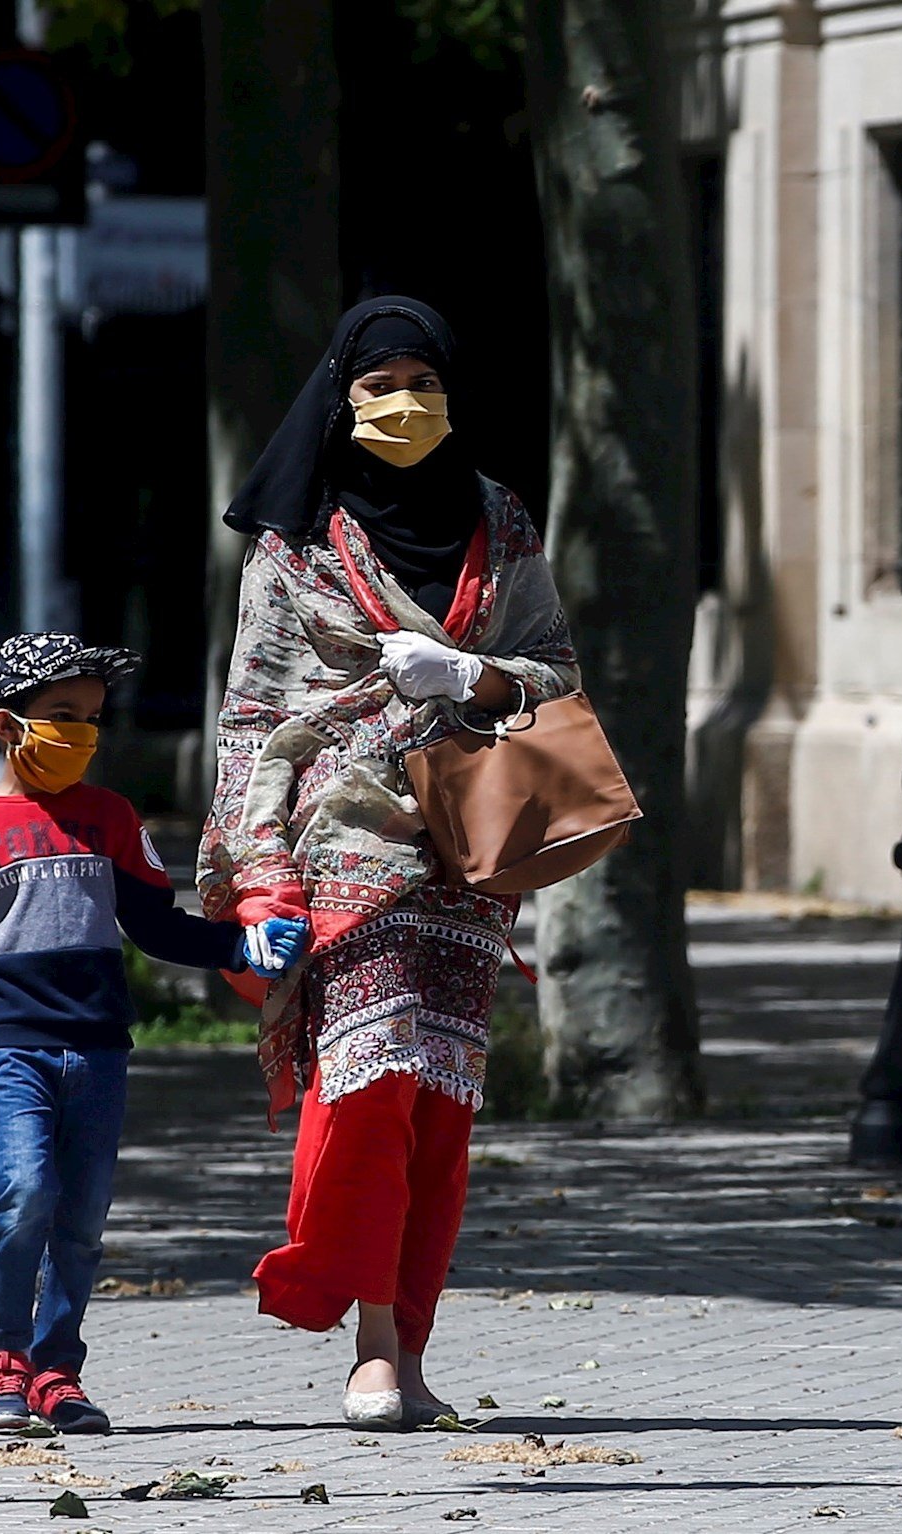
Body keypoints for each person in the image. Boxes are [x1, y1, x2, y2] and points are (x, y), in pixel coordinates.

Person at [196, 297, 581, 1430]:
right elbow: (251, 714)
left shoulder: (498, 521)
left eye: (423, 379)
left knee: (434, 1110)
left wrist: (471, 678)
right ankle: (364, 1339)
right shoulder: (298, 536)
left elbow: (554, 672)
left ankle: (405, 1348)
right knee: (363, 1089)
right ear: (341, 396)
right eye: (378, 384)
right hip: (340, 839)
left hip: (468, 842)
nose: (402, 402)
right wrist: (258, 878)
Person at [0, 632, 311, 1434]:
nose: (83, 734)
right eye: (62, 716)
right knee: (24, 1190)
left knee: (84, 1217)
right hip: (12, 1049)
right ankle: (5, 1361)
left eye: (93, 719)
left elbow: (156, 926)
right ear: (7, 725)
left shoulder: (111, 817)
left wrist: (239, 944)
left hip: (99, 1049)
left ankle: (57, 1371)